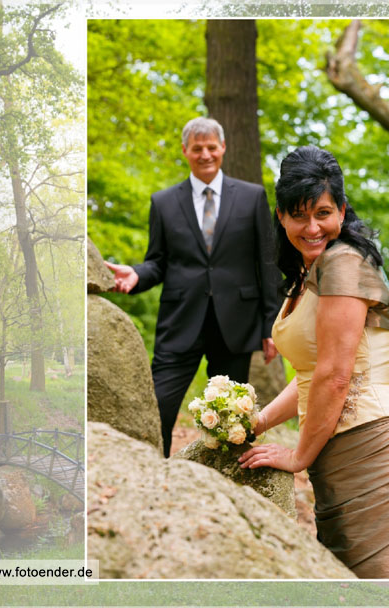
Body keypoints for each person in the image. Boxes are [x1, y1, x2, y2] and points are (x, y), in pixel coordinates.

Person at [239, 146, 389, 579]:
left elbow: (336, 375)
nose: (312, 227)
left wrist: (298, 456)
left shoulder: (343, 261)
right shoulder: (310, 273)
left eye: (323, 213)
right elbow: (311, 373)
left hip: (378, 443)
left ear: (342, 210)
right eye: (299, 215)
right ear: (281, 216)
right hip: (338, 445)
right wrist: (255, 422)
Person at [105, 117, 280, 457]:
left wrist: (269, 324)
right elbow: (157, 262)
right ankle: (153, 477)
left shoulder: (252, 197)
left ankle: (228, 486)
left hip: (236, 323)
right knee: (158, 407)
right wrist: (137, 274)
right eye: (197, 148)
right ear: (185, 151)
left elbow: (267, 264)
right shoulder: (164, 202)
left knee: (232, 417)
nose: (205, 155)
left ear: (223, 149)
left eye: (211, 147)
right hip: (180, 321)